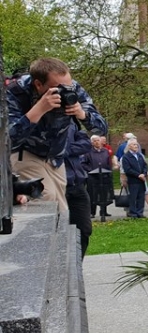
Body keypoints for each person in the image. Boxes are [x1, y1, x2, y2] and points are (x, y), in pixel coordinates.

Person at [7, 57, 108, 207]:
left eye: (68, 86)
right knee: (44, 195)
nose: (65, 91)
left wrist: (82, 114)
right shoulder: (16, 91)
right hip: (26, 152)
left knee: (61, 207)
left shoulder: (72, 88)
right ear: (38, 84)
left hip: (55, 156)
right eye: (58, 88)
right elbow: (9, 139)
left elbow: (101, 129)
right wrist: (39, 109)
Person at [64, 128, 93, 257]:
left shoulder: (71, 122)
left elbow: (86, 144)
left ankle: (77, 264)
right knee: (58, 231)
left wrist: (65, 149)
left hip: (77, 184)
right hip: (57, 185)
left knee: (84, 229)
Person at [85, 134, 114, 218]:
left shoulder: (105, 151)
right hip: (93, 176)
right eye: (95, 141)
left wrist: (109, 170)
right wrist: (90, 169)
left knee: (104, 194)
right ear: (92, 143)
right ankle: (92, 212)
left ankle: (103, 211)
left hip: (104, 175)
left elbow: (108, 162)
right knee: (92, 194)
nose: (97, 142)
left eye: (98, 140)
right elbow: (83, 163)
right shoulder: (88, 152)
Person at [121, 138, 148, 218]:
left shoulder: (139, 155)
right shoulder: (126, 157)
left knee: (141, 197)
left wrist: (144, 174)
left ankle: (140, 213)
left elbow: (145, 166)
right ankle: (133, 213)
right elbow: (127, 169)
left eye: (136, 144)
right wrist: (138, 175)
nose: (136, 146)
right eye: (134, 144)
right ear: (129, 146)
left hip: (141, 180)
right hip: (133, 180)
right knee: (133, 197)